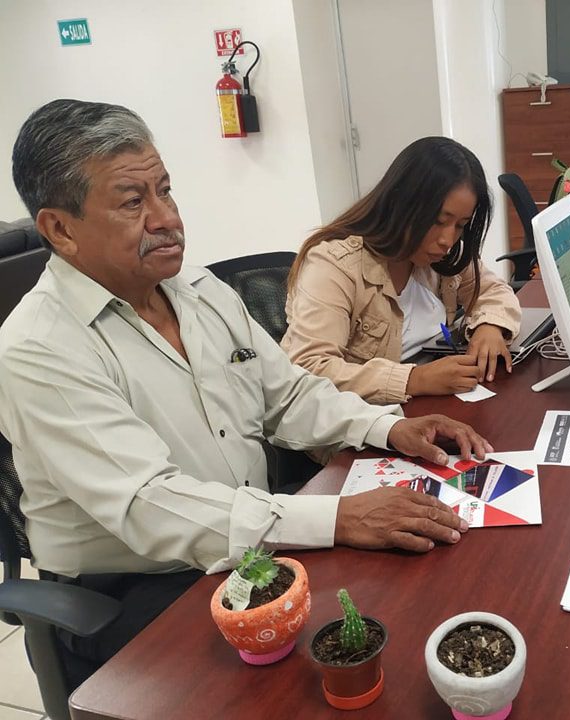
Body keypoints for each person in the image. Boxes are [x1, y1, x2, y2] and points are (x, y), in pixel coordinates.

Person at [0, 99, 494, 687]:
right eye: (134, 202)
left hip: (253, 542)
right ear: (59, 228)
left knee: (418, 607)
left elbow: (288, 395)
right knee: (307, 682)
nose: (167, 218)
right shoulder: (40, 348)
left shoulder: (199, 291)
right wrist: (337, 518)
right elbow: (151, 506)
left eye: (166, 191)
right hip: (144, 584)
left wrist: (387, 427)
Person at [282, 136, 521, 404]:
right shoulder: (333, 266)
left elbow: (493, 289)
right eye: (438, 221)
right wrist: (414, 379)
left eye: (460, 225)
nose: (448, 239)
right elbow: (310, 369)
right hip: (357, 426)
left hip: (423, 407)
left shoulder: (440, 257)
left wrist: (489, 326)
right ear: (403, 205)